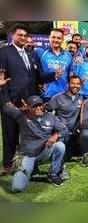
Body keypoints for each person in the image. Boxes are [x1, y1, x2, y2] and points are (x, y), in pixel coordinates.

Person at [1, 94, 68, 191]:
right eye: (34, 106)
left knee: (60, 146)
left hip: (44, 151)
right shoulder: (21, 115)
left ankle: (53, 173)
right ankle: (31, 169)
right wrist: (2, 89)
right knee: (17, 188)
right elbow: (6, 107)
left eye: (40, 105)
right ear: (28, 107)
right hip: (28, 155)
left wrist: (56, 135)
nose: (38, 108)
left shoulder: (50, 117)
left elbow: (65, 130)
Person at [0, 24, 39, 174]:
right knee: (10, 134)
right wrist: (5, 101)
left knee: (26, 133)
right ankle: (8, 165)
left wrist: (52, 76)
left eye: (25, 35)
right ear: (12, 35)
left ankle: (24, 162)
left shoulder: (28, 53)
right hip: (10, 102)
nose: (23, 37)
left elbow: (34, 77)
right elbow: (1, 78)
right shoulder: (4, 52)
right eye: (20, 35)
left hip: (28, 102)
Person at [46, 75, 83, 161]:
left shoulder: (81, 98)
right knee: (61, 153)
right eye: (73, 83)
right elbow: (46, 111)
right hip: (60, 131)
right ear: (68, 84)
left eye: (78, 84)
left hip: (73, 131)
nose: (75, 86)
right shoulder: (58, 97)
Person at [35, 28, 73, 100]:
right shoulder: (41, 52)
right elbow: (37, 75)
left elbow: (70, 75)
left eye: (59, 38)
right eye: (53, 37)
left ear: (62, 40)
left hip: (63, 94)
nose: (55, 40)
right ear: (49, 38)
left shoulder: (68, 55)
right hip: (46, 95)